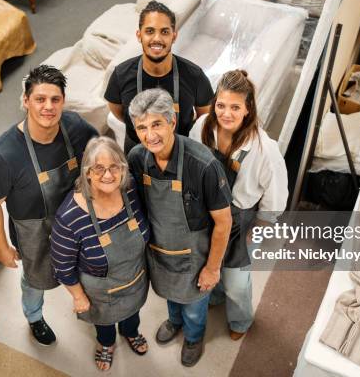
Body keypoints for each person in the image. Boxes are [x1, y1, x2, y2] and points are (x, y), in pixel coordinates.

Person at [0, 65, 98, 346]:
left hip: (77, 222)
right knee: (34, 281)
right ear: (25, 100)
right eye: (40, 99)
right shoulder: (2, 156)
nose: (48, 107)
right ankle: (34, 317)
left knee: (87, 269)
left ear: (63, 101)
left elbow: (102, 153)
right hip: (35, 233)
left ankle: (90, 307)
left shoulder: (76, 128)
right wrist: (1, 247)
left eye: (55, 99)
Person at [127, 88, 232, 367]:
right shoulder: (137, 158)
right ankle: (175, 321)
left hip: (195, 254)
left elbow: (224, 222)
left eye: (157, 124)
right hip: (159, 250)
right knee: (169, 294)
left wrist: (212, 268)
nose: (150, 135)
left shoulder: (203, 165)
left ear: (172, 121)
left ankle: (194, 337)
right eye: (142, 128)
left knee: (195, 307)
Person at [189, 70, 288, 340]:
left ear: (248, 109)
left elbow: (275, 200)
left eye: (235, 107)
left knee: (237, 281)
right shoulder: (201, 128)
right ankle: (216, 295)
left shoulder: (265, 151)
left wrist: (256, 231)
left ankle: (240, 321)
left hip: (241, 219)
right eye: (221, 105)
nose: (226, 114)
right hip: (206, 211)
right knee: (210, 263)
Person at [50, 136, 151, 371]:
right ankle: (106, 344)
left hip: (134, 277)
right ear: (87, 172)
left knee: (132, 312)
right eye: (99, 168)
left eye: (114, 167)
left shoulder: (130, 189)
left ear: (123, 168)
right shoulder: (70, 216)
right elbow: (62, 265)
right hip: (99, 290)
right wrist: (78, 296)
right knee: (104, 323)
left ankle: (131, 331)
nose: (108, 175)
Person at [104, 0, 214, 153]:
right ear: (139, 35)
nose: (157, 38)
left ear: (174, 36)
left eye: (164, 32)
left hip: (180, 153)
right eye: (149, 31)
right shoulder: (120, 75)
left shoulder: (194, 76)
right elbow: (118, 111)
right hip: (137, 152)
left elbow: (204, 119)